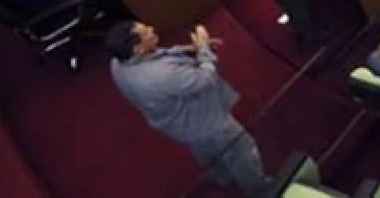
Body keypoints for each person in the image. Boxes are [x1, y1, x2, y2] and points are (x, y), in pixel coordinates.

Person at [108, 21, 272, 196]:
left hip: (180, 125)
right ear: (137, 50)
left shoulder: (117, 64)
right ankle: (260, 189)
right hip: (208, 123)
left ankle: (223, 177)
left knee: (208, 153)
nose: (152, 29)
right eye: (146, 32)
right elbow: (205, 78)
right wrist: (203, 49)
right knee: (241, 152)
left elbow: (161, 55)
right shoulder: (161, 76)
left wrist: (192, 49)